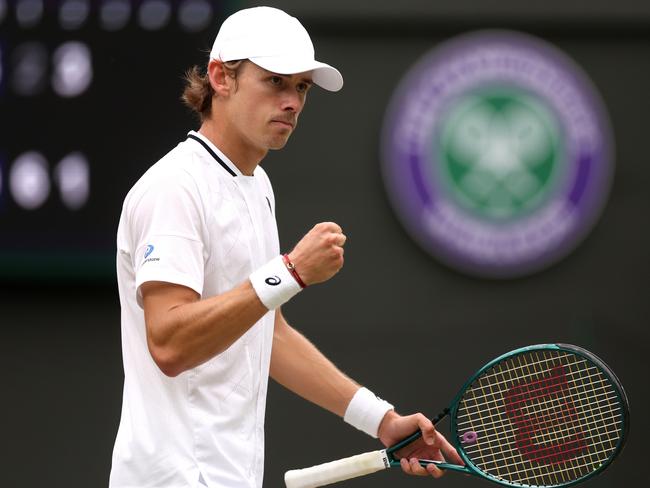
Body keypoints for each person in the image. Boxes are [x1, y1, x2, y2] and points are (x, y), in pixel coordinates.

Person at [109, 6, 462, 488]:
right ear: (221, 78)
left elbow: (267, 334)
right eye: (275, 81)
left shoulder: (257, 187)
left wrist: (380, 421)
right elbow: (169, 344)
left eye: (301, 87)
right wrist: (290, 272)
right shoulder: (175, 186)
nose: (292, 101)